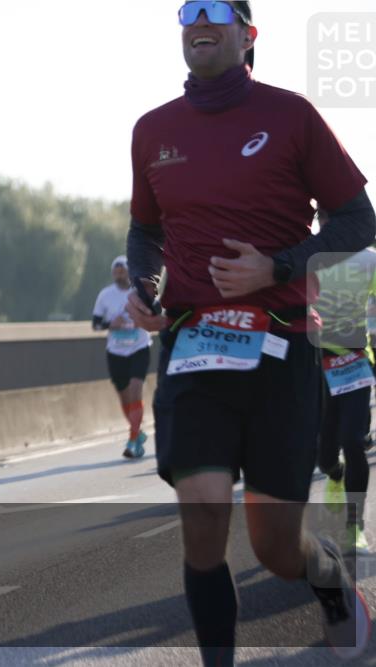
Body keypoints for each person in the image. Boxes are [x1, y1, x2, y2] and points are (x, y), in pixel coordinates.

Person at [125, 2, 376, 664]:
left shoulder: (290, 115)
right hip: (193, 347)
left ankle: (330, 584)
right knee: (203, 517)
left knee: (275, 545)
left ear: (247, 34)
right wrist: (145, 286)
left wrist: (279, 265)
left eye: (216, 10)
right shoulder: (153, 130)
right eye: (187, 11)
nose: (198, 20)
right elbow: (145, 230)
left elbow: (359, 219)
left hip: (281, 349)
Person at [313, 207, 376, 554]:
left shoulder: (368, 261)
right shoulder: (309, 257)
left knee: (354, 441)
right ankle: (333, 475)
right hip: (316, 366)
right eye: (324, 219)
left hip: (354, 363)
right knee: (323, 455)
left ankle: (356, 528)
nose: (329, 225)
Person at [92, 255, 152, 459]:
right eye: (115, 270)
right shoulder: (105, 295)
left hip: (139, 348)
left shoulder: (140, 293)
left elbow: (155, 316)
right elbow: (95, 324)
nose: (119, 273)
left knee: (136, 390)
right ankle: (137, 431)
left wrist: (141, 321)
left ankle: (133, 440)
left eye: (122, 269)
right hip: (116, 352)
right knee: (125, 397)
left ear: (130, 271)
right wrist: (112, 324)